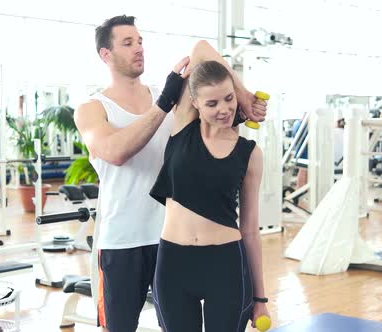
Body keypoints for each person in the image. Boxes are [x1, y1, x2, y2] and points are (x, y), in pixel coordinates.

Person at [74, 15, 267, 332]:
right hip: (122, 241)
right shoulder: (93, 108)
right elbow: (114, 151)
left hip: (170, 242)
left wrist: (243, 96)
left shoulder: (169, 97)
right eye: (127, 43)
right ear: (105, 55)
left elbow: (202, 50)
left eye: (140, 41)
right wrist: (163, 103)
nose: (138, 48)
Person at [149, 58, 270, 330]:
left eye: (229, 99)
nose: (225, 110)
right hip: (173, 265)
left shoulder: (249, 154)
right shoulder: (181, 127)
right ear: (194, 102)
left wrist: (260, 297)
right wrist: (242, 92)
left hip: (225, 264)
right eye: (212, 103)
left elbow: (250, 229)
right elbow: (199, 49)